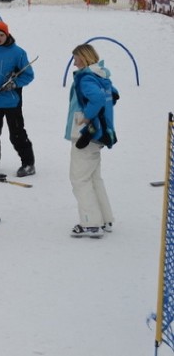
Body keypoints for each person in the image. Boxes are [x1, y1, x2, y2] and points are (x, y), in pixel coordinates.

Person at [65, 44, 118, 238]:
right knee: (94, 177)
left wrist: (87, 117)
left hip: (86, 135)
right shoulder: (101, 75)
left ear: (84, 57)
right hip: (99, 135)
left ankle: (90, 223)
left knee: (79, 178)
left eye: (76, 57)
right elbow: (112, 92)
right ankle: (105, 218)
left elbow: (95, 99)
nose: (74, 61)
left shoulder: (86, 77)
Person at [0, 20, 36, 177]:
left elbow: (29, 75)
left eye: (1, 35)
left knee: (16, 134)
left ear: (7, 34)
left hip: (12, 101)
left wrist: (14, 84)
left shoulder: (19, 53)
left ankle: (28, 164)